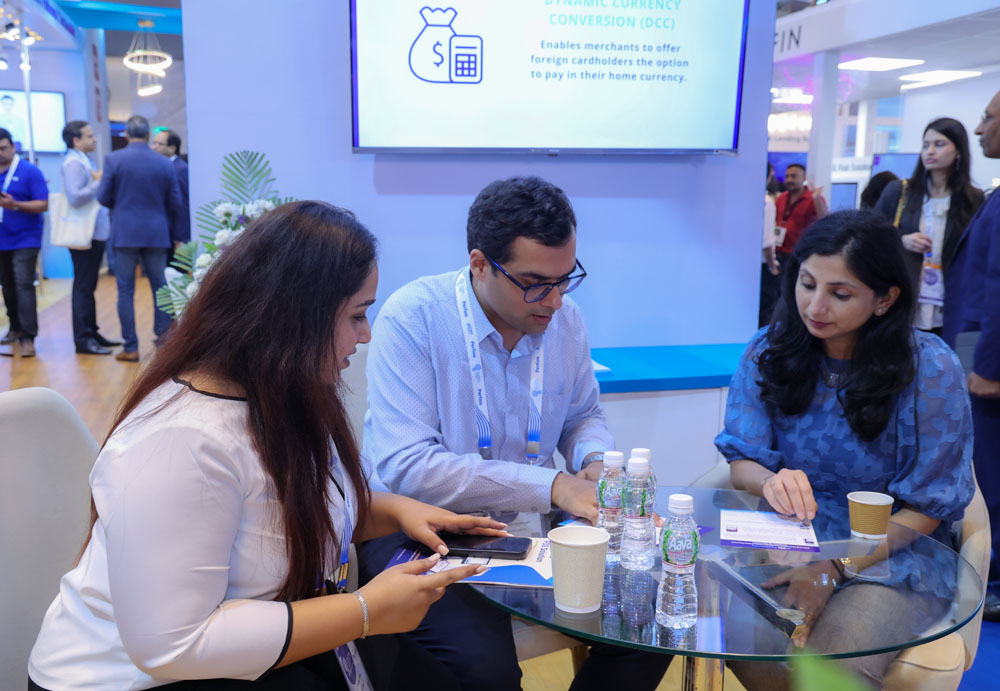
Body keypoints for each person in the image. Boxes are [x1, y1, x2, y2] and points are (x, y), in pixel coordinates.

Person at [28, 201, 505, 690]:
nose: (366, 336)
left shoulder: (284, 394)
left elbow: (280, 520)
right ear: (294, 318)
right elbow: (171, 646)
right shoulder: (182, 443)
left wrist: (396, 512)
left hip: (257, 643)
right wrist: (364, 611)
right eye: (357, 316)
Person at [359, 176, 671, 690]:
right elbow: (407, 467)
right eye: (535, 283)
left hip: (529, 528)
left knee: (647, 620)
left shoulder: (565, 321)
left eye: (565, 279)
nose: (554, 301)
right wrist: (555, 485)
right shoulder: (415, 318)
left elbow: (582, 416)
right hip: (421, 529)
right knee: (482, 669)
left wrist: (594, 462)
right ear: (480, 264)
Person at [716, 209, 974, 688]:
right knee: (749, 648)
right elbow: (742, 461)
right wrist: (772, 481)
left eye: (840, 294)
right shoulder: (769, 349)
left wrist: (835, 566)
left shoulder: (930, 369)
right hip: (790, 543)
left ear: (885, 299)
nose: (815, 306)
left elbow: (928, 506)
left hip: (896, 554)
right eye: (807, 283)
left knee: (835, 668)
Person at [944, 89, 1000, 621]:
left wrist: (988, 366)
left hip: (988, 363)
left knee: (991, 471)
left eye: (988, 118)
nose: (980, 128)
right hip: (976, 348)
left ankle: (994, 578)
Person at [875, 118, 984, 335]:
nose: (930, 151)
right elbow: (869, 235)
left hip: (950, 301)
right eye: (926, 145)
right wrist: (902, 240)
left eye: (939, 144)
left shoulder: (973, 199)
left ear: (958, 151)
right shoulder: (899, 191)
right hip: (903, 295)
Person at [97, 115, 185, 362]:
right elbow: (175, 201)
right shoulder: (164, 163)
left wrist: (123, 206)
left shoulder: (114, 159)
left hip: (125, 232)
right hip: (156, 232)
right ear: (148, 135)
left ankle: (131, 347)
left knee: (125, 290)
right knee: (160, 287)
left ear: (126, 134)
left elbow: (103, 197)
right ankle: (164, 341)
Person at [60, 120, 121, 355]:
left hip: (93, 232)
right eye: (89, 136)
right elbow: (75, 197)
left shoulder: (84, 159)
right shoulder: (73, 163)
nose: (94, 139)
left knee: (88, 286)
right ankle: (83, 339)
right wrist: (97, 183)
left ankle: (92, 332)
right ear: (76, 140)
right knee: (83, 287)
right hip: (83, 235)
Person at [0, 127, 48, 358]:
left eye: (3, 148)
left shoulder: (29, 171)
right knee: (7, 286)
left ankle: (28, 337)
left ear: (13, 147)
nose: (0, 153)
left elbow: (43, 204)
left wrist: (15, 205)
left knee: (23, 284)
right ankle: (15, 328)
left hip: (25, 238)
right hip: (2, 239)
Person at [774, 163, 828, 260]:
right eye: (787, 176)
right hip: (778, 251)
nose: (789, 180)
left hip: (800, 253)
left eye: (793, 176)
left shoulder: (814, 198)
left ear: (804, 178)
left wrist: (817, 199)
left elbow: (824, 220)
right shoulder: (781, 198)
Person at [152, 128, 190, 260]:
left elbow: (182, 206)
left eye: (159, 144)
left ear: (172, 148)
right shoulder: (167, 167)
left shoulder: (179, 169)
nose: (154, 147)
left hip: (174, 237)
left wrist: (180, 238)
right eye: (153, 143)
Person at [759, 162, 781, 327]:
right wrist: (773, 267)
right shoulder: (766, 202)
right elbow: (766, 243)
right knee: (765, 312)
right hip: (763, 267)